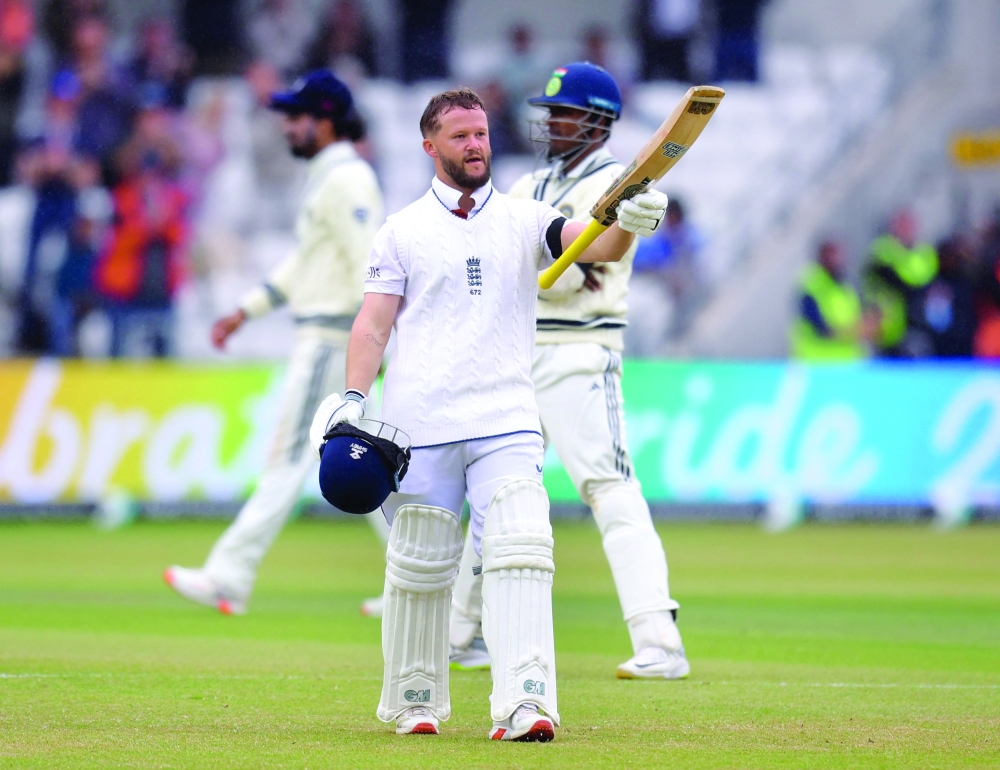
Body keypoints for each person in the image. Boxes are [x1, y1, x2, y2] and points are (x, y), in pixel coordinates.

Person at [309, 87, 666, 740]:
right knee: (420, 564)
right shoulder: (403, 230)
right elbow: (372, 325)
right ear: (430, 146)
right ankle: (415, 701)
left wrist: (633, 221)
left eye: (481, 134)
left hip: (506, 418)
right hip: (421, 426)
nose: (476, 145)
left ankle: (527, 703)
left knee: (522, 547)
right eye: (460, 136)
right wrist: (354, 401)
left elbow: (597, 246)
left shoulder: (527, 218)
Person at [447, 63, 690, 683]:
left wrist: (631, 225)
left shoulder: (615, 185)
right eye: (549, 112)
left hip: (581, 352)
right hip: (517, 352)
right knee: (496, 494)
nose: (551, 122)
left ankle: (659, 639)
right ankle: (460, 634)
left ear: (597, 122)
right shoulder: (529, 184)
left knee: (607, 487)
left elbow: (587, 272)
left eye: (565, 113)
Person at [164, 71, 385, 614]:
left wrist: (379, 341)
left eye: (297, 117)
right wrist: (247, 309)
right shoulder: (330, 177)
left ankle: (228, 576)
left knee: (287, 459)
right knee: (383, 470)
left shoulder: (347, 180)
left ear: (325, 119)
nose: (288, 127)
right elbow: (305, 263)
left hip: (334, 339)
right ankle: (430, 585)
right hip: (338, 335)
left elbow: (371, 267)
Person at [862, 209, 938, 358]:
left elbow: (920, 284)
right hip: (888, 326)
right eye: (900, 225)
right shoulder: (882, 249)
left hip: (918, 321)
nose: (904, 229)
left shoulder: (924, 252)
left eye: (907, 225)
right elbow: (878, 277)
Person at [790, 240, 868, 360]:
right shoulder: (811, 288)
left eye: (838, 255)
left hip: (847, 363)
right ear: (821, 257)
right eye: (831, 256)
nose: (836, 260)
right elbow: (821, 330)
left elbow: (858, 319)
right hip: (819, 364)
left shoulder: (846, 287)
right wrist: (856, 331)